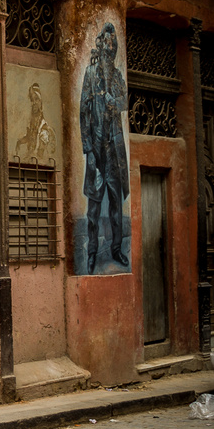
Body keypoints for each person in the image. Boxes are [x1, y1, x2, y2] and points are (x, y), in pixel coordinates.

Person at [80, 22, 130, 273]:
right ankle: (90, 253)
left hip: (114, 152)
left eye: (113, 46)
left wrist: (115, 101)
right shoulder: (90, 75)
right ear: (101, 46)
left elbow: (125, 102)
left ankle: (116, 249)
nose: (110, 50)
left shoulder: (119, 77)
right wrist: (88, 150)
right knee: (93, 207)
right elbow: (83, 112)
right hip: (97, 152)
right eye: (107, 44)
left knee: (116, 206)